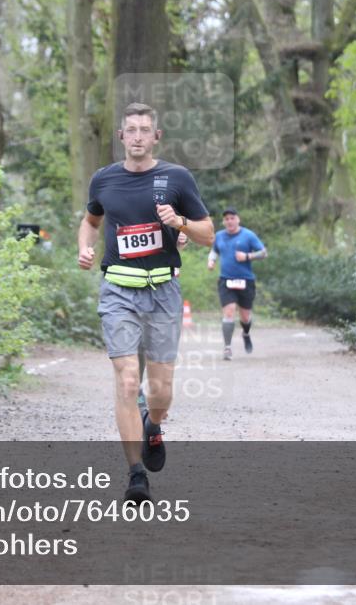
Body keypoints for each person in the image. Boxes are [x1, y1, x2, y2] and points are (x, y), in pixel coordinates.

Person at [78, 102, 213, 503]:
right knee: (126, 379)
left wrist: (180, 222)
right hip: (118, 291)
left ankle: (153, 425)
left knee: (160, 391)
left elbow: (207, 233)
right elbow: (91, 221)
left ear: (156, 137)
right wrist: (85, 247)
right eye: (131, 130)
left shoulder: (177, 178)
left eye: (145, 130)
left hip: (163, 292)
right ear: (121, 136)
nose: (137, 137)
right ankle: (136, 474)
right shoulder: (103, 179)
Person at [207, 207, 267, 360]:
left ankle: (246, 333)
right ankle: (227, 348)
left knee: (245, 316)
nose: (229, 221)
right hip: (226, 280)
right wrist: (211, 260)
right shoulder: (219, 236)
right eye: (226, 219)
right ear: (223, 222)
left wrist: (247, 256)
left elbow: (263, 253)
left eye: (232, 218)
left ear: (238, 219)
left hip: (246, 280)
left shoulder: (248, 235)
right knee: (229, 312)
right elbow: (214, 250)